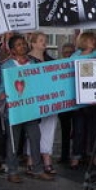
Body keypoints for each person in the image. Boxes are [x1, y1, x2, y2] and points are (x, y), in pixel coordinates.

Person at [0, 34, 54, 184]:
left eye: (23, 43)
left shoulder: (34, 64)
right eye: (18, 44)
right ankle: (12, 171)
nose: (22, 46)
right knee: (13, 141)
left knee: (35, 138)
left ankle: (37, 169)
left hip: (30, 109)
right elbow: (2, 88)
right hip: (14, 111)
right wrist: (2, 95)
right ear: (12, 50)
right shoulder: (7, 66)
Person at [68, 32, 96, 169]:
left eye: (94, 40)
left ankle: (94, 155)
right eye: (91, 40)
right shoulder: (75, 56)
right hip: (79, 100)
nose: (93, 42)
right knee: (78, 130)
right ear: (84, 41)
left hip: (94, 99)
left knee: (94, 130)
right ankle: (76, 156)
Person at [28, 31, 57, 175]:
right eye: (40, 40)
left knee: (49, 129)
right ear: (33, 43)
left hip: (49, 99)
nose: (44, 43)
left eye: (45, 40)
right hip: (34, 100)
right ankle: (31, 160)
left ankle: (47, 158)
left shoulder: (50, 60)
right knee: (33, 130)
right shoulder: (26, 61)